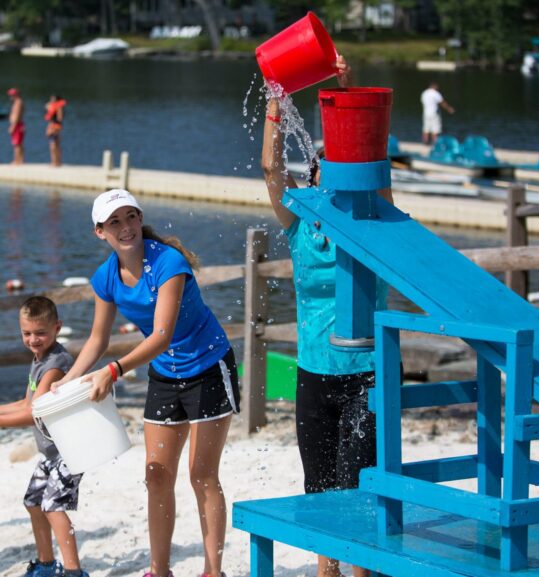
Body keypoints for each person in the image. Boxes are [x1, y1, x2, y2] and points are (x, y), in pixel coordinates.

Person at [57, 189, 238, 577]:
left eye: (130, 217)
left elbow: (160, 336)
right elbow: (97, 340)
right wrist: (66, 381)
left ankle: (212, 571)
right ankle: (159, 570)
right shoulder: (105, 276)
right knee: (156, 474)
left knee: (201, 474)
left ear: (140, 219)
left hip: (208, 367)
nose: (125, 228)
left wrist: (113, 371)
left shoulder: (168, 262)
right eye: (114, 222)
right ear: (99, 231)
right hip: (166, 374)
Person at [261, 55, 390, 577]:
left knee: (357, 485)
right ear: (313, 179)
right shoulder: (299, 224)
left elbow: (369, 153)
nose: (327, 172)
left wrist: (347, 88)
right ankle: (326, 572)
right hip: (314, 373)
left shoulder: (372, 217)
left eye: (339, 164)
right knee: (318, 488)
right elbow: (271, 168)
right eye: (320, 165)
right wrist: (275, 100)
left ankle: (359, 571)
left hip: (366, 373)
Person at [0, 296, 89, 577]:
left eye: (40, 333)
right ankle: (46, 564)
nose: (33, 339)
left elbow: (36, 412)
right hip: (50, 454)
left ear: (57, 328)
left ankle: (74, 571)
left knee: (52, 506)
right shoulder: (38, 361)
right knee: (33, 502)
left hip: (69, 451)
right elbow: (25, 403)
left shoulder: (56, 362)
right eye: (27, 333)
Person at [44, 95, 66, 167]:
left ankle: (56, 162)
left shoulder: (59, 107)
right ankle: (55, 162)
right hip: (53, 125)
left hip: (55, 126)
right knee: (54, 145)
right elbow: (46, 105)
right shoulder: (53, 106)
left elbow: (59, 119)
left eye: (53, 99)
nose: (52, 101)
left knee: (54, 145)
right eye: (51, 99)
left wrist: (53, 128)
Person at [8, 88, 25, 165]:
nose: (11, 96)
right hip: (17, 124)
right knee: (18, 143)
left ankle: (17, 160)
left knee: (16, 144)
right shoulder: (17, 102)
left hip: (17, 125)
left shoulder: (18, 103)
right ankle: (19, 160)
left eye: (12, 95)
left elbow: (17, 115)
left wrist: (13, 126)